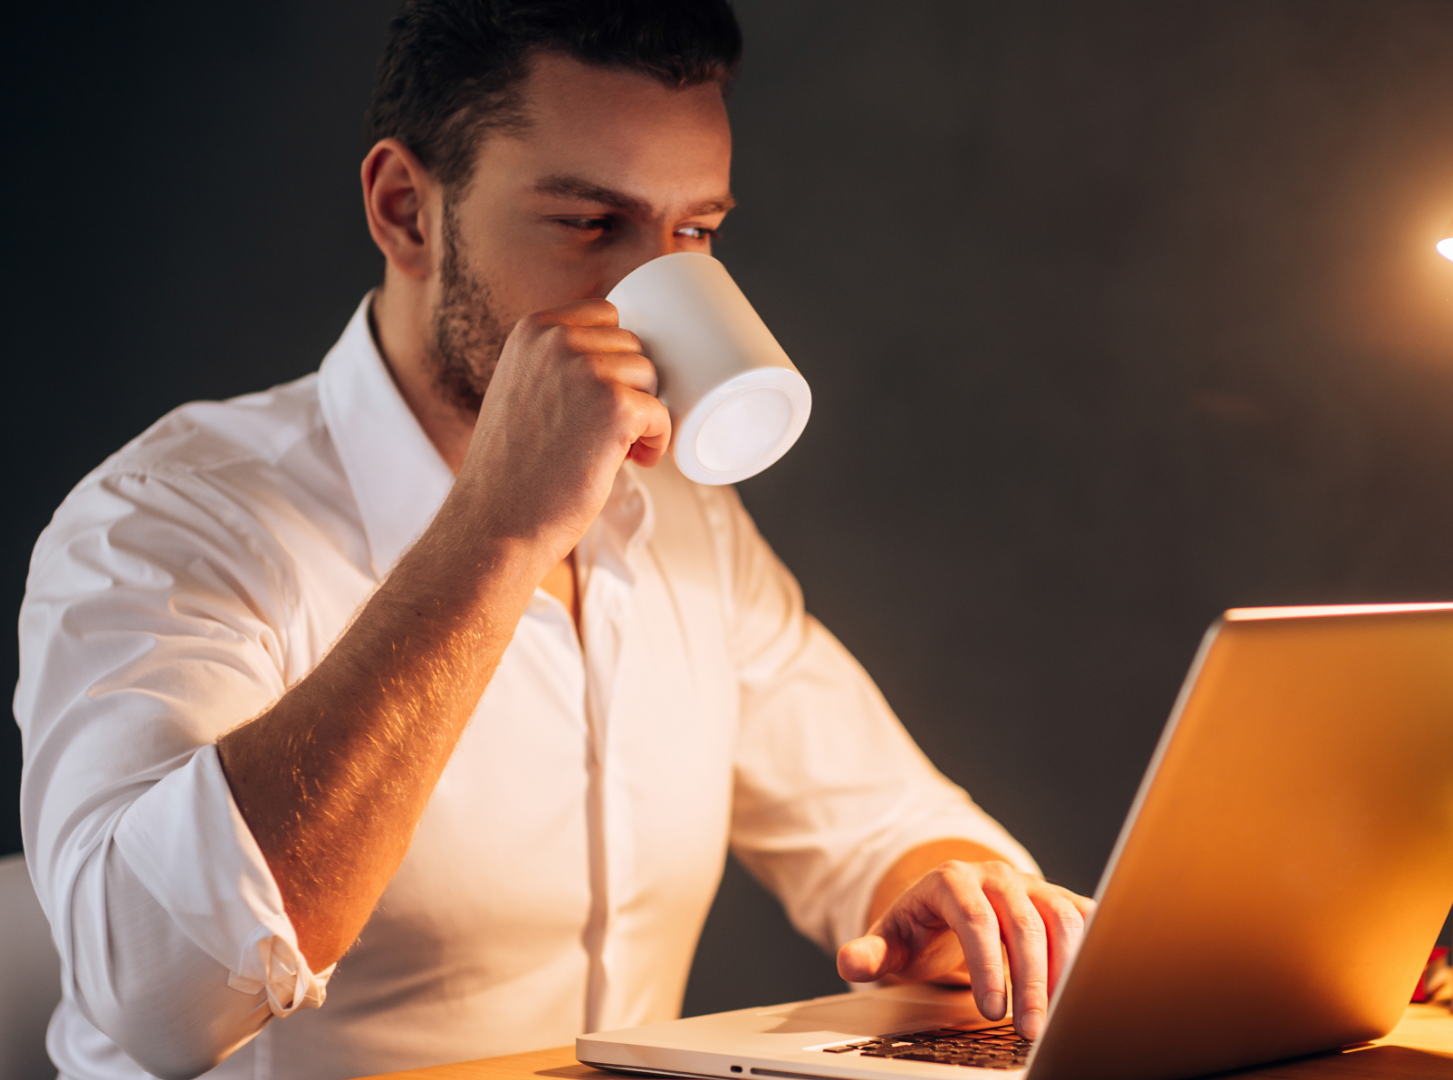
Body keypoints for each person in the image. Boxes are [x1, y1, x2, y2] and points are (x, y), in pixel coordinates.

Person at [13, 3, 1091, 1078]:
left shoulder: (681, 522)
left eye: (695, 232)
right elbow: (160, 996)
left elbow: (880, 825)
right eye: (589, 224)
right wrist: (499, 527)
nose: (653, 290)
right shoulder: (166, 519)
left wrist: (974, 902)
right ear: (407, 214)